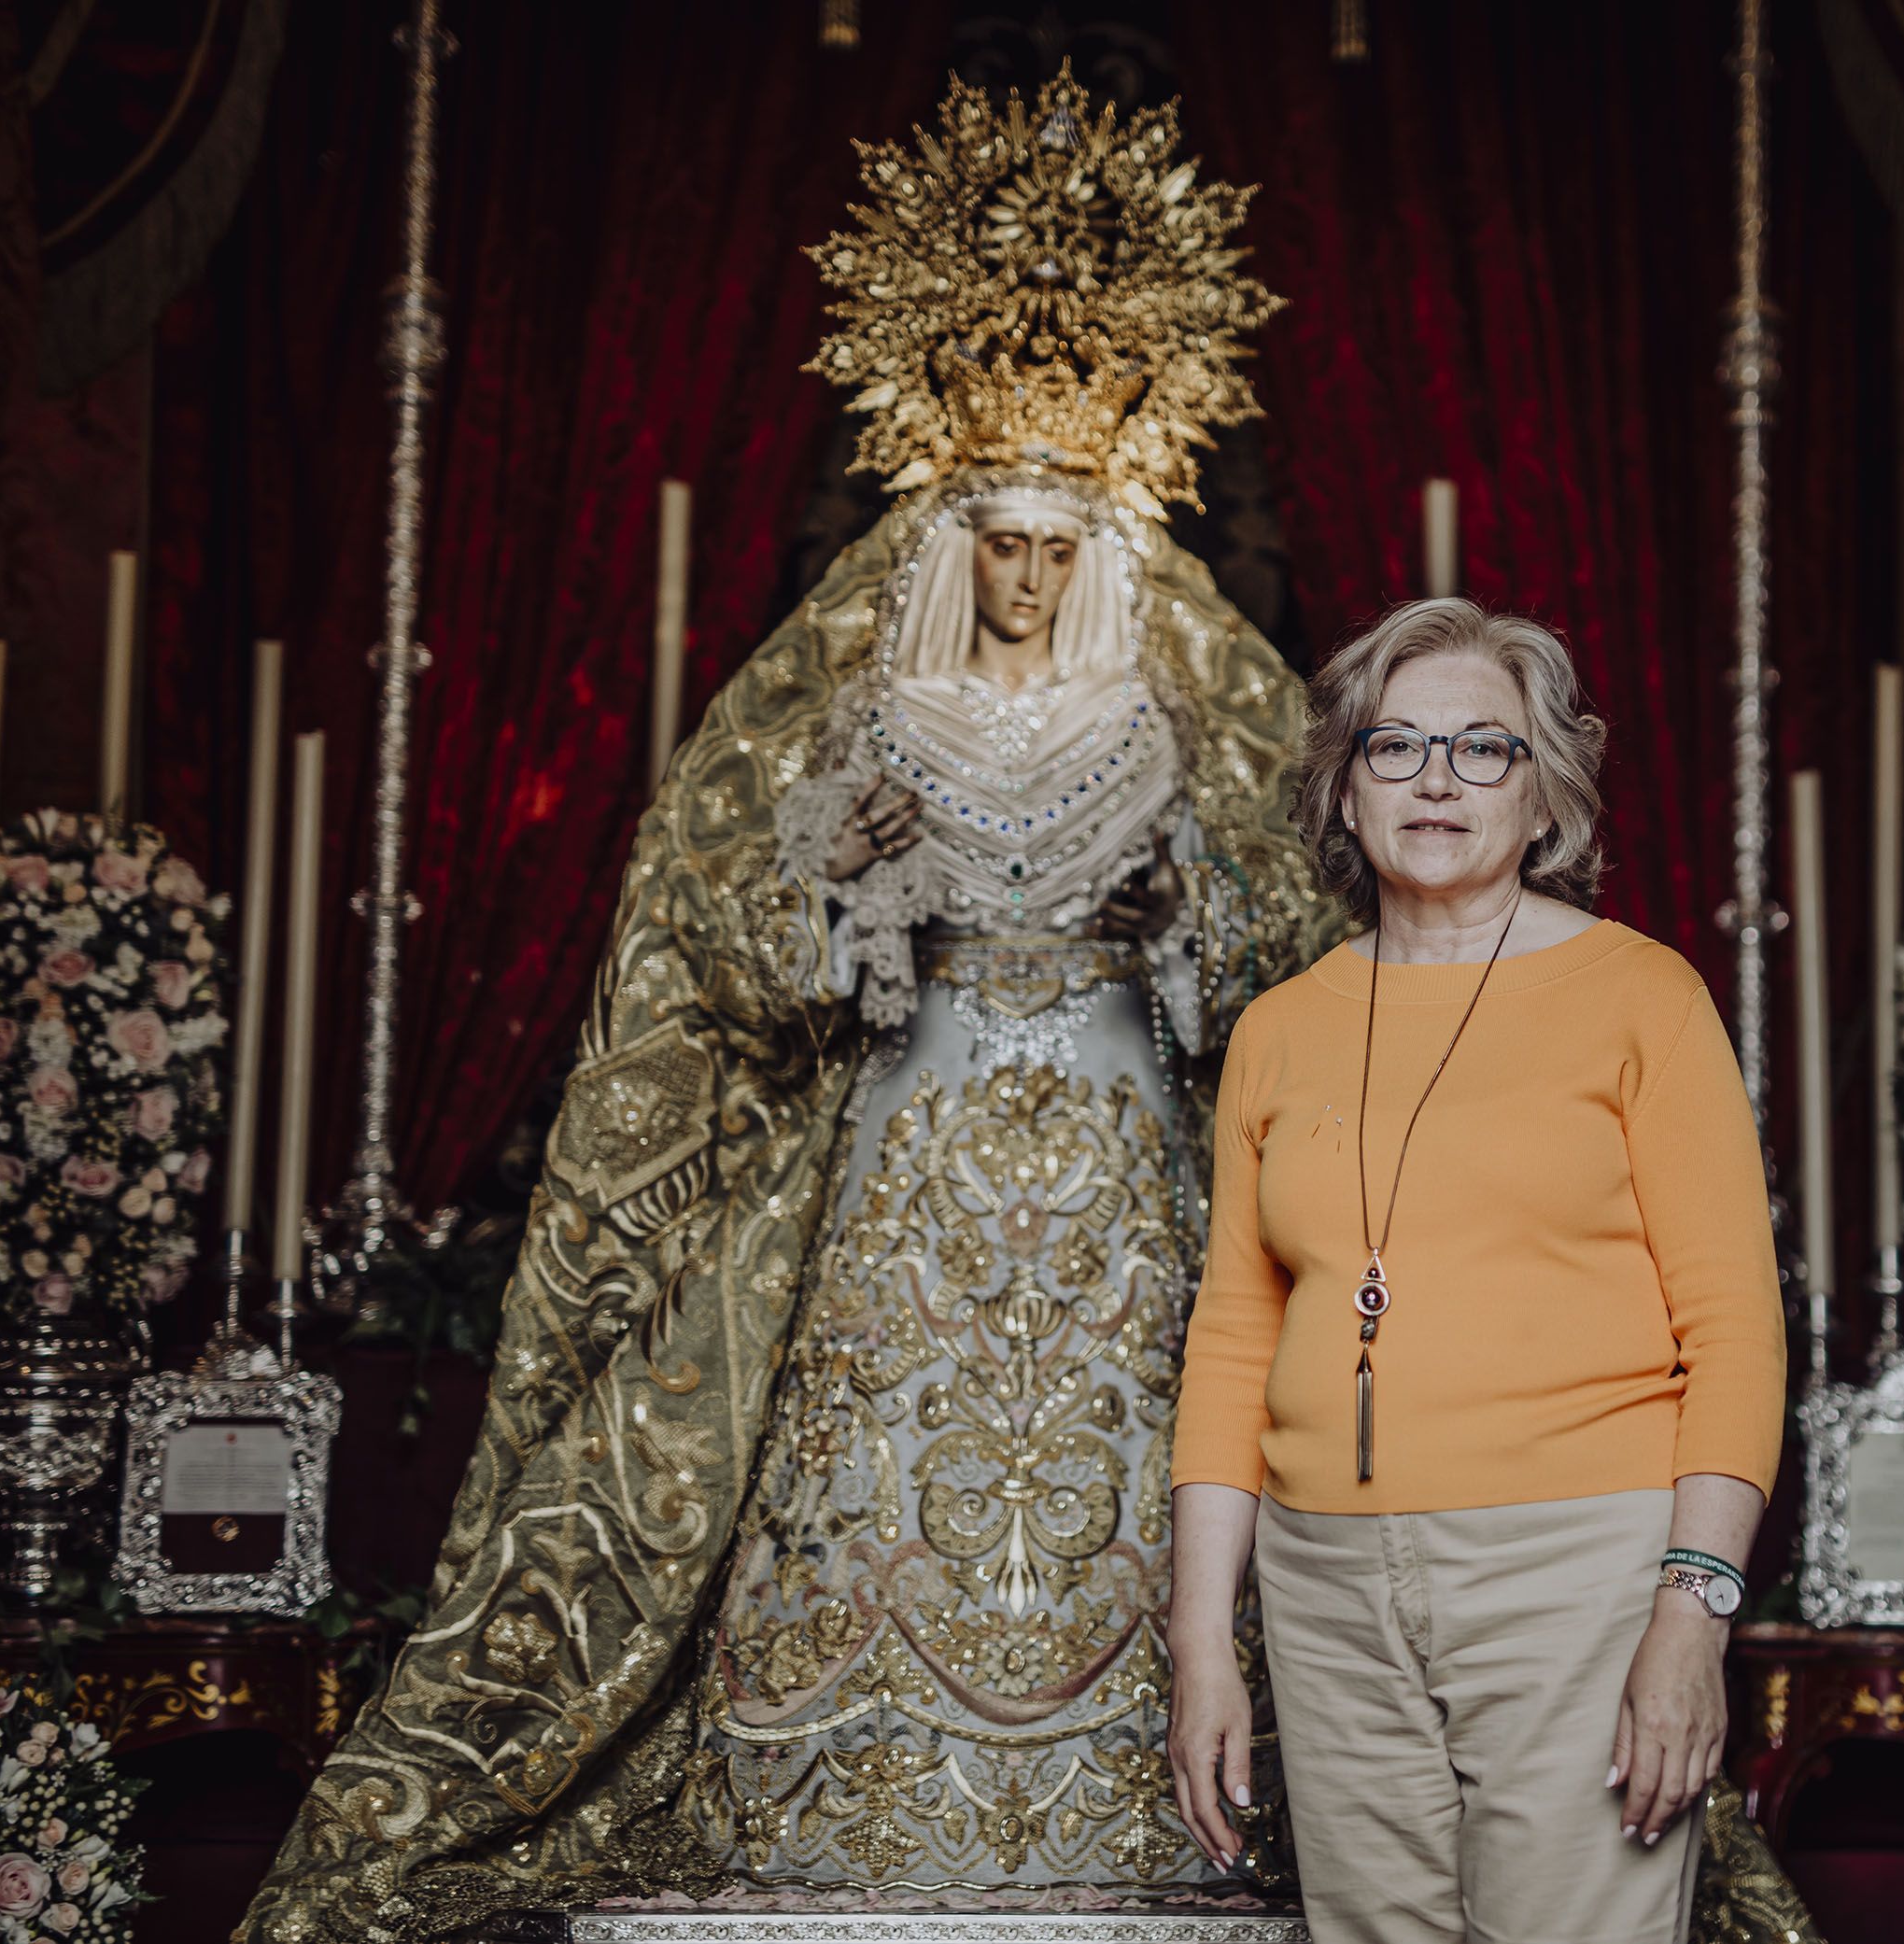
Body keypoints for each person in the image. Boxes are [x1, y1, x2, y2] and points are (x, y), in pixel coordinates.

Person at [239, 71, 1334, 1942]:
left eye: (1062, 540)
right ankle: (845, 1801)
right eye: (998, 534)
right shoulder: (856, 705)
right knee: (880, 1447)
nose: (1027, 569)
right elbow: (722, 954)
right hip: (900, 1152)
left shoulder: (1189, 709)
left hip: (1118, 1161)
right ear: (949, 535)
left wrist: (1183, 912)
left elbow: (1296, 955)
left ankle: (1151, 1809)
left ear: (1112, 541)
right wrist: (847, 899)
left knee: (1134, 1451)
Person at [1166, 598, 1789, 1944]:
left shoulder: (1645, 998)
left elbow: (1735, 1328)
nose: (1438, 778)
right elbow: (1232, 1334)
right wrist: (1204, 1639)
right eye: (1397, 745)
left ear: (1547, 791)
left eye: (1485, 749)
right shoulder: (1278, 1032)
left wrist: (1694, 1614)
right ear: (1345, 782)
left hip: (1579, 1577)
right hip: (1327, 1587)